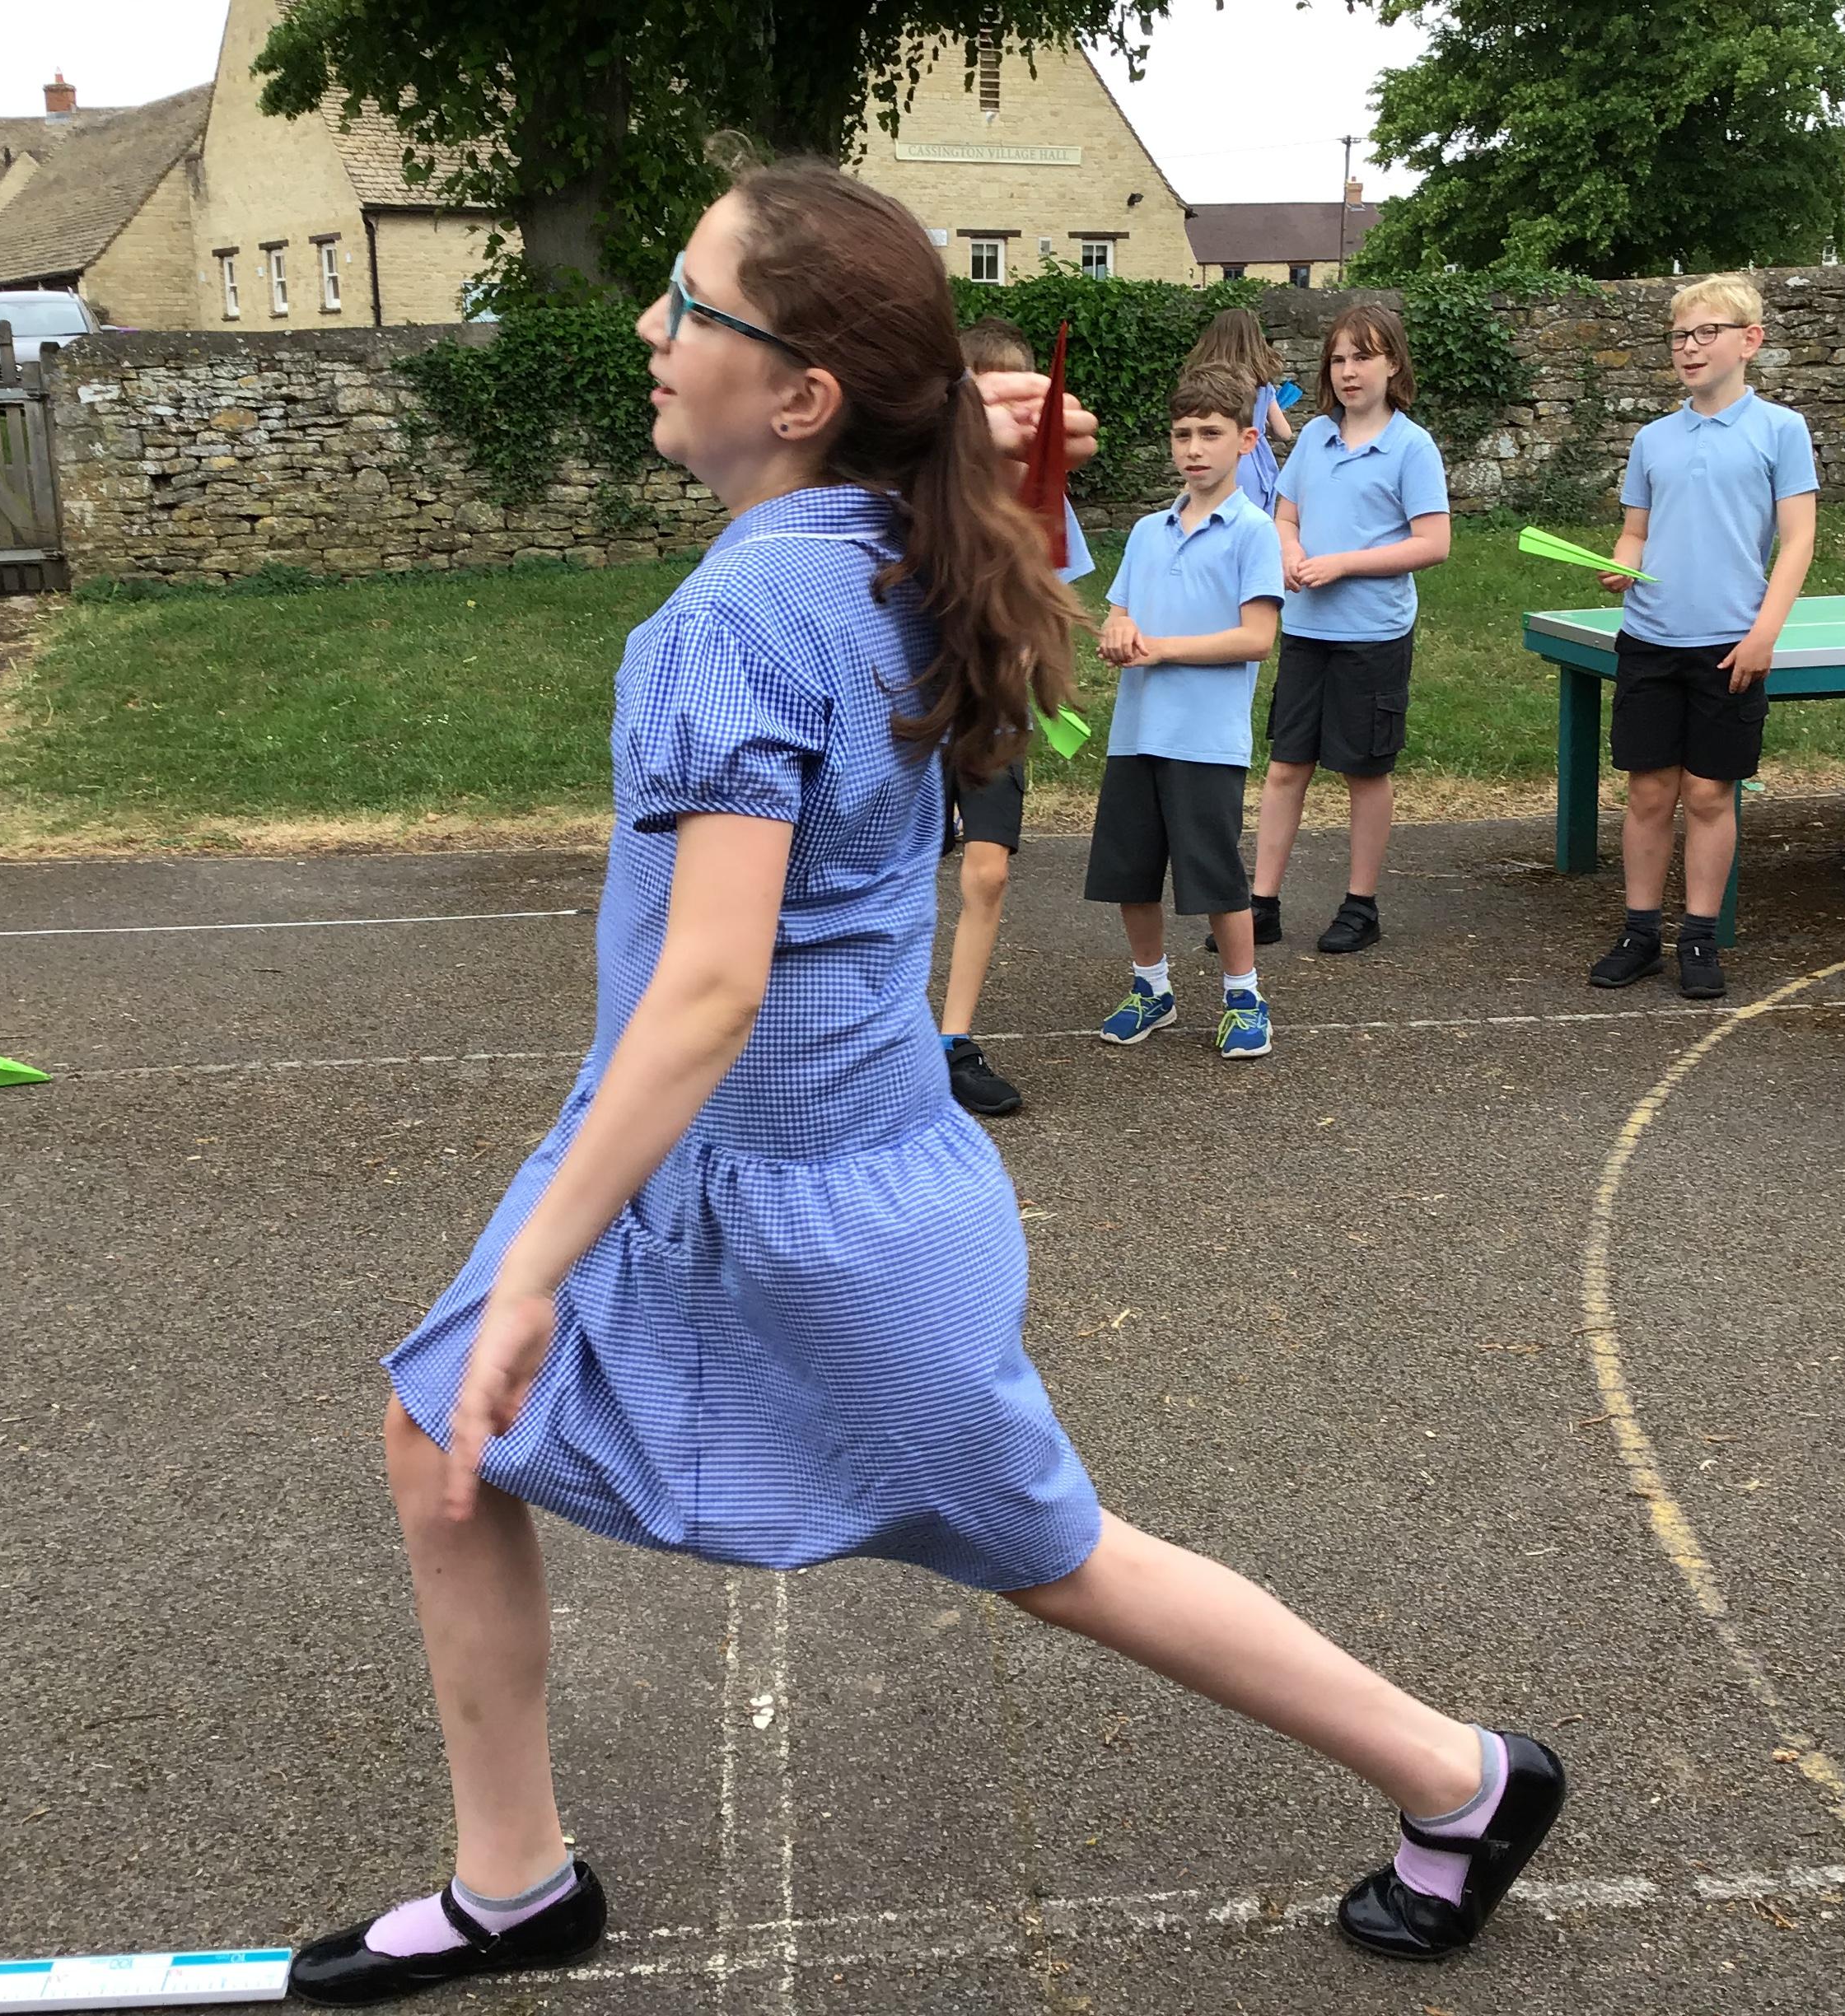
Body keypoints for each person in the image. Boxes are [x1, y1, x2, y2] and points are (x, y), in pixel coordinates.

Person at [288, 164, 1564, 2004]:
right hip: (739, 1162)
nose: (650, 327)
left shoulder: (742, 617)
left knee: (1055, 1553)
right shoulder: (902, 544)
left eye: (689, 304)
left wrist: (541, 1264)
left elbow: (710, 982)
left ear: (800, 394)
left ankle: (1461, 1775)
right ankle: (514, 1882)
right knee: (440, 1441)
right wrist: (984, 424)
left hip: (807, 1204)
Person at [1588, 273, 1818, 1001]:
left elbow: (1798, 540)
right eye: (1679, 337)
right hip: (1650, 640)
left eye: (1705, 333)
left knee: (1711, 793)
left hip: (1730, 644)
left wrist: (1763, 635)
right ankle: (1640, 935)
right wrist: (1622, 564)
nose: (1688, 348)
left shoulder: (1780, 430)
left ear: (1750, 340)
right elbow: (1635, 532)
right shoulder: (1653, 439)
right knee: (1649, 792)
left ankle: (1700, 937)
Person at [1089, 364, 1287, 1062]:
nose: (1194, 448)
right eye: (1182, 434)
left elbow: (1256, 638)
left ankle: (1244, 996)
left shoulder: (1254, 531)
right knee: (1130, 871)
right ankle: (1152, 987)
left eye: (1210, 433)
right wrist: (1117, 630)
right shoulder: (1147, 532)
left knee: (1214, 875)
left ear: (1247, 440)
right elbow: (1118, 615)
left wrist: (1162, 648)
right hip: (1137, 732)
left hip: (1206, 739)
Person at [1247, 303, 1450, 959]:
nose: (1348, 371)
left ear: (1393, 364)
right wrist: (1288, 550)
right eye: (1338, 359)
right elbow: (1285, 516)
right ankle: (1261, 905)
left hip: (1373, 635)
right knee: (1286, 766)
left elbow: (1433, 543)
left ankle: (1361, 906)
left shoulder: (1412, 446)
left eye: (1363, 357)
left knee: (1363, 770)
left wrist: (1344, 564)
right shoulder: (1313, 437)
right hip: (1307, 630)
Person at [933, 316, 1098, 1119]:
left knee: (988, 871)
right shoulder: (929, 498)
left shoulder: (1046, 503)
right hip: (916, 714)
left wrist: (1041, 659)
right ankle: (888, 1036)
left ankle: (953, 1043)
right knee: (897, 870)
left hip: (994, 715)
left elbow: (1057, 601)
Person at [1184, 304, 1297, 515]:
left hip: (1218, 459)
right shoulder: (1263, 386)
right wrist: (1261, 425)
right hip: (1255, 465)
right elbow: (1285, 433)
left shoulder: (1206, 386)